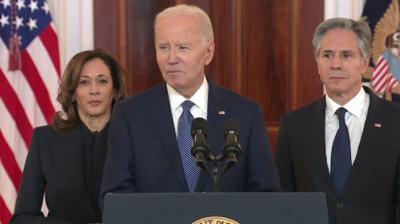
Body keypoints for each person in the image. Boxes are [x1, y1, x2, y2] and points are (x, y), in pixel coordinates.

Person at [100, 4, 280, 199]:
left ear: (208, 52)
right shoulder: (130, 115)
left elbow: (266, 196)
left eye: (182, 48)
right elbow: (115, 197)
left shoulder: (245, 114)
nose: (171, 58)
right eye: (163, 47)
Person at [275, 18, 400, 224]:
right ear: (317, 63)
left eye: (346, 55)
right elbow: (282, 203)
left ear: (365, 61)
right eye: (327, 55)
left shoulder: (396, 122)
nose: (335, 64)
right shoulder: (293, 126)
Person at [10, 49, 127, 224]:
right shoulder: (45, 140)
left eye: (102, 81)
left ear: (115, 90)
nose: (94, 90)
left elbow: (149, 208)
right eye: (84, 82)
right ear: (72, 92)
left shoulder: (133, 140)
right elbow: (22, 218)